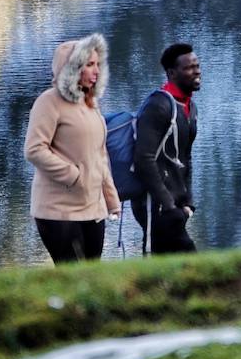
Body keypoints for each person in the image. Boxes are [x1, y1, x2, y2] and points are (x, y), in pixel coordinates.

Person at [24, 33, 121, 264]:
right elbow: (34, 149)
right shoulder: (48, 102)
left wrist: (111, 199)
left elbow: (100, 155)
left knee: (93, 275)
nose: (96, 71)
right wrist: (73, 176)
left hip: (93, 209)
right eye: (89, 65)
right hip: (58, 210)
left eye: (98, 64)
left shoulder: (90, 105)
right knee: (71, 274)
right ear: (72, 68)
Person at [131, 42, 201, 253]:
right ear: (172, 73)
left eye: (197, 65)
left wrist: (187, 201)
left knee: (167, 266)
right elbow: (143, 159)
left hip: (177, 205)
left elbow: (185, 158)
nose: (197, 71)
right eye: (189, 67)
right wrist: (168, 204)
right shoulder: (158, 105)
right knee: (187, 259)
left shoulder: (190, 106)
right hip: (156, 204)